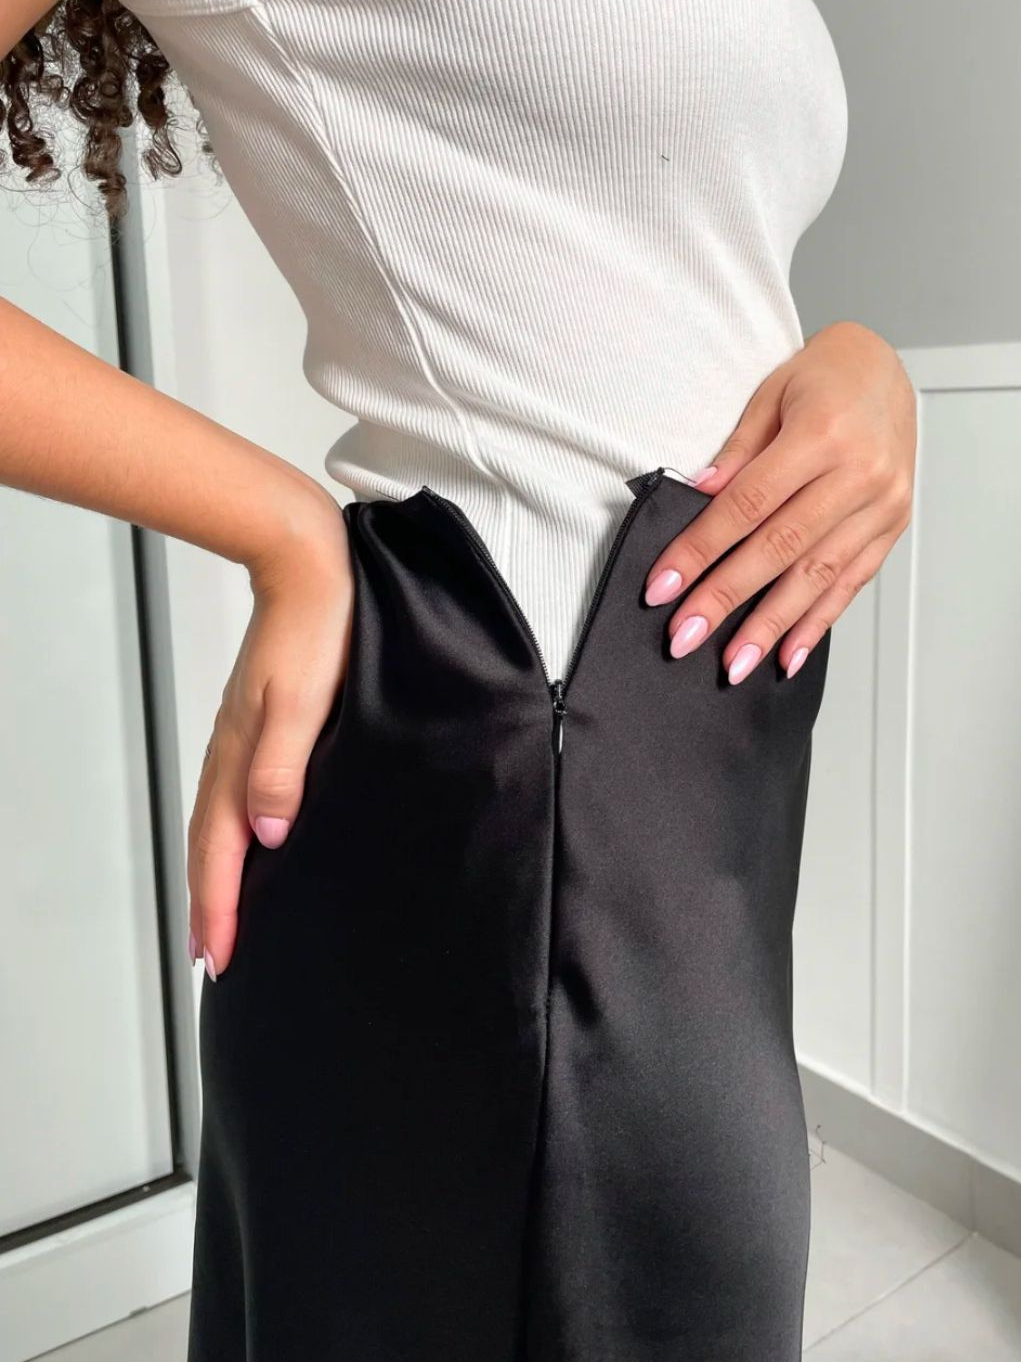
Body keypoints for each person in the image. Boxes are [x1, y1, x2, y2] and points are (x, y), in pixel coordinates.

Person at [0, 2, 918, 1358]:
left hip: (707, 787)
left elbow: (675, 259)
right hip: (509, 795)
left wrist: (862, 361)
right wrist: (279, 527)